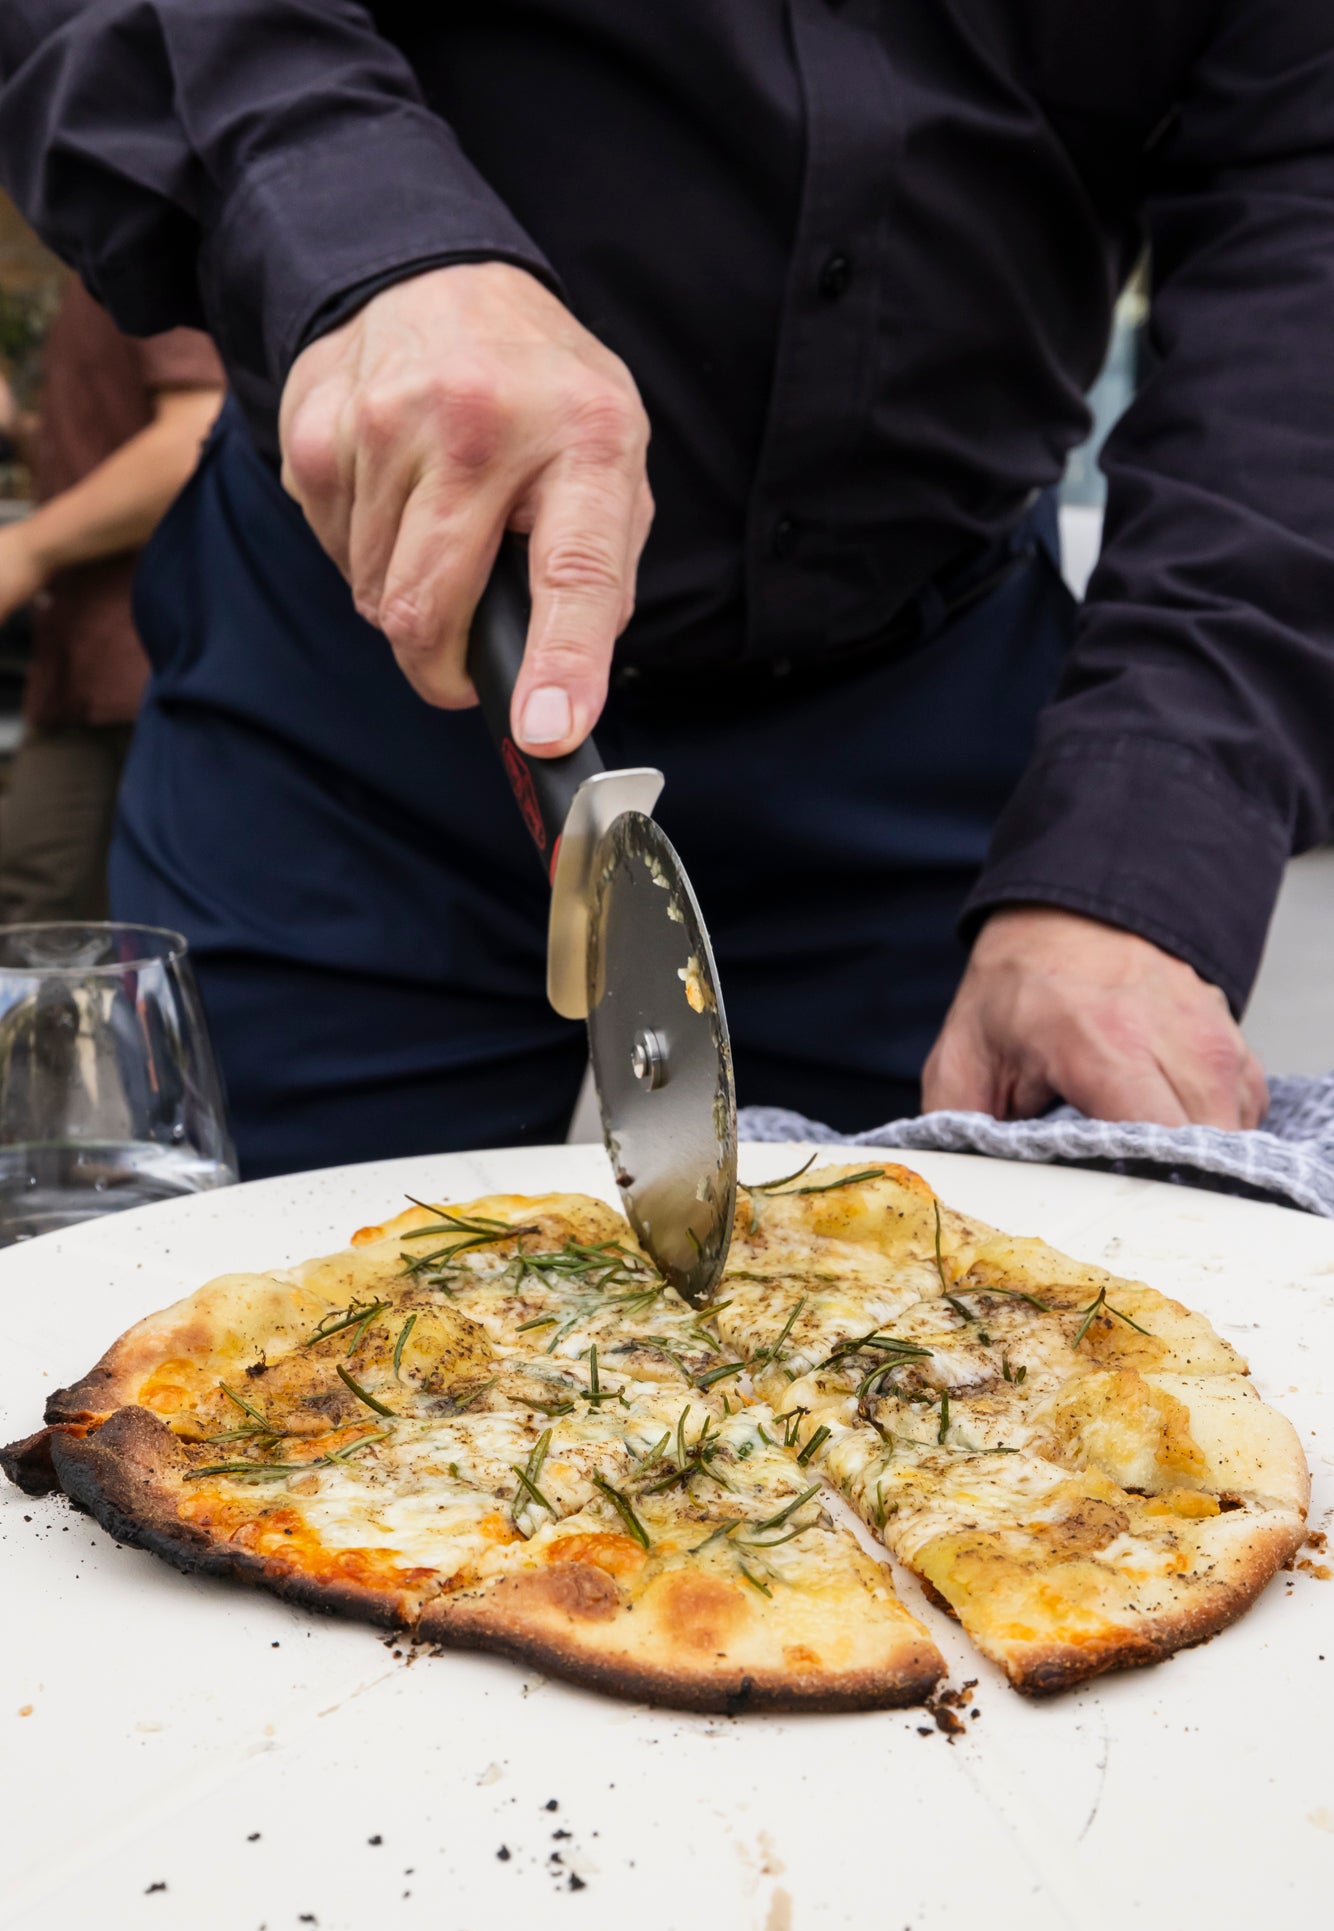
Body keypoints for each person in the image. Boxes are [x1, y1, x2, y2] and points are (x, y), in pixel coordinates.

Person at [1, 4, 1328, 1177]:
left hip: (951, 747)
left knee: (1005, 1337)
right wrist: (358, 230)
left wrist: (1132, 848)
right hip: (356, 689)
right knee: (228, 1331)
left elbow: (1299, 235)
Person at [0, 276, 223, 920]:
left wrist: (27, 548)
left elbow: (194, 439)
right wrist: (25, 431)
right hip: (82, 670)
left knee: (107, 925)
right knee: (40, 910)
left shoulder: (146, 248)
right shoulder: (93, 266)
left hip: (154, 663)